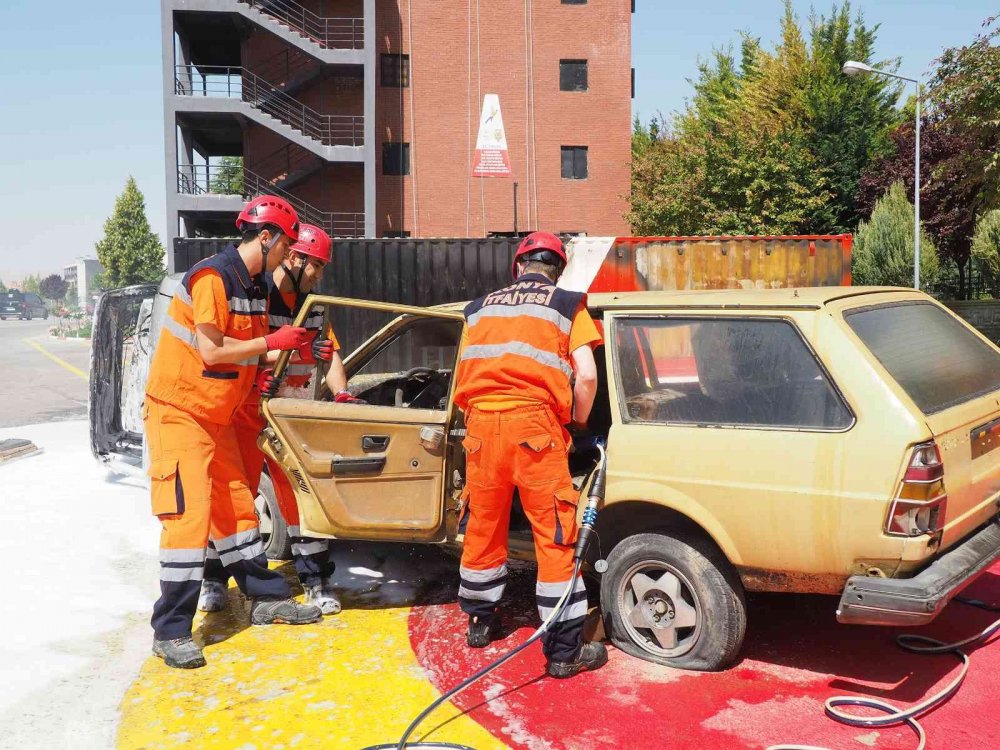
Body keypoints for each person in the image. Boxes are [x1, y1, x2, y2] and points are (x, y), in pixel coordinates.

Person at [144, 195, 323, 670]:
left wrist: (278, 357)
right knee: (189, 518)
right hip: (180, 411)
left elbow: (243, 352)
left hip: (216, 414)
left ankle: (266, 598)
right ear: (266, 238)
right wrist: (272, 342)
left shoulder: (256, 286)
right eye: (286, 244)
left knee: (238, 506)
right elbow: (211, 351)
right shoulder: (212, 277)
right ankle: (171, 630)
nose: (290, 254)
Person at [452, 231, 607, 679]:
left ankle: (480, 623)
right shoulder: (565, 303)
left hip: (481, 427)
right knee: (555, 533)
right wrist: (577, 424)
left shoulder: (478, 309)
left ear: (517, 266)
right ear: (557, 270)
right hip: (536, 428)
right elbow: (588, 378)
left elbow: (465, 373)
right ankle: (562, 653)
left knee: (482, 524)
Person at [198, 224, 362, 615]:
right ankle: (213, 578)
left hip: (291, 418)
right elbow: (232, 348)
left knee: (302, 498)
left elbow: (332, 355)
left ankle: (316, 581)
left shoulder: (314, 307)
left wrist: (341, 392)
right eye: (315, 266)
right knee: (233, 498)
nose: (318, 275)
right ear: (293, 257)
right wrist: (258, 371)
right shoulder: (257, 298)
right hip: (247, 414)